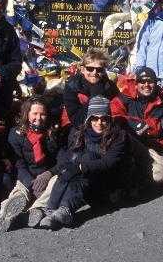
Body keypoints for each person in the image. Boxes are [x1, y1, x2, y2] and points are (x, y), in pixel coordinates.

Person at [35, 96, 133, 230]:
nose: (99, 123)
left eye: (104, 118)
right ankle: (51, 209)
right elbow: (69, 157)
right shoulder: (81, 133)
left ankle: (66, 209)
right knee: (69, 167)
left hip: (110, 184)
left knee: (88, 159)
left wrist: (81, 167)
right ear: (89, 119)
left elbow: (109, 162)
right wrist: (52, 171)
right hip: (87, 181)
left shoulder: (118, 135)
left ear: (109, 119)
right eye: (95, 118)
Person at [111, 67, 163, 190]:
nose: (146, 85)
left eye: (150, 81)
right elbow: (114, 115)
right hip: (136, 144)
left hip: (161, 143)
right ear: (136, 83)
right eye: (142, 81)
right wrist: (132, 123)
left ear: (156, 83)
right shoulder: (125, 97)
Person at [0, 97, 64, 232]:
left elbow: (62, 160)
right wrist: (30, 183)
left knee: (57, 182)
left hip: (48, 174)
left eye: (42, 114)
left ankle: (36, 209)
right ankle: (7, 212)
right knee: (20, 190)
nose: (39, 118)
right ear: (27, 114)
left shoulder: (53, 133)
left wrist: (48, 173)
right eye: (35, 114)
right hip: (27, 175)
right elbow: (18, 163)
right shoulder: (16, 134)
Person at [61, 48, 120, 133]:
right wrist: (95, 96)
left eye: (99, 69)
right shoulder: (72, 86)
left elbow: (117, 112)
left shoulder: (110, 87)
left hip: (105, 128)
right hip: (78, 130)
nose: (94, 72)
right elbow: (76, 120)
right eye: (90, 68)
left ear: (104, 71)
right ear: (82, 69)